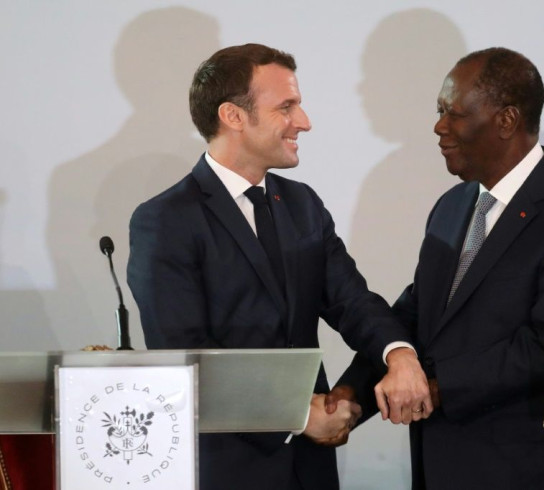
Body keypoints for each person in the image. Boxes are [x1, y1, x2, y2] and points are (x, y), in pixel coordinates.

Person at [127, 43, 432, 490]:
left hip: (311, 466)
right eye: (286, 107)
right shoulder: (165, 220)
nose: (304, 122)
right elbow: (186, 355)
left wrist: (398, 354)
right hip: (227, 468)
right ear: (233, 116)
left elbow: (352, 301)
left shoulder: (302, 205)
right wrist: (292, 414)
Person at [334, 47, 544, 489]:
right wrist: (353, 397)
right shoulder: (452, 207)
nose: (439, 127)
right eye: (439, 111)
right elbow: (416, 316)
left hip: (543, 473)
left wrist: (435, 389)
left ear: (506, 121)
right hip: (448, 467)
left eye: (454, 114)